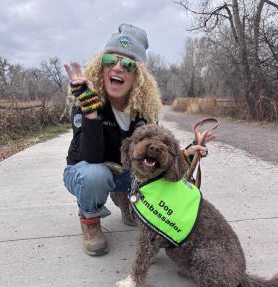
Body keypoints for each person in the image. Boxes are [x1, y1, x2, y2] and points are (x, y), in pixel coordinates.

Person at [63, 23, 212, 257]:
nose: (118, 67)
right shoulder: (86, 99)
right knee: (95, 174)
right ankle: (90, 222)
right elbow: (91, 158)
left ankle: (125, 200)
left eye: (129, 64)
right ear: (101, 67)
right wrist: (91, 112)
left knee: (150, 171)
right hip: (85, 172)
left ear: (138, 75)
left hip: (125, 172)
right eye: (110, 60)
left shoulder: (144, 113)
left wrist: (186, 154)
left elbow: (155, 154)